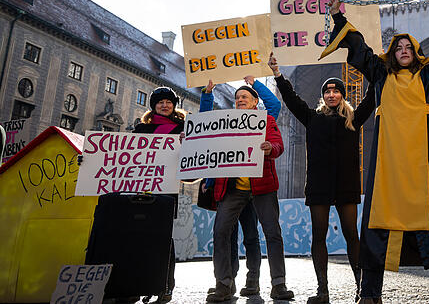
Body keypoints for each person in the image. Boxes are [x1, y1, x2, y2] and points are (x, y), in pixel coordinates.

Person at [319, 0, 429, 304]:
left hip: (426, 168)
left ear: (416, 52)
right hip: (389, 169)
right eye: (399, 48)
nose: (404, 50)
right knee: (377, 225)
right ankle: (369, 294)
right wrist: (338, 15)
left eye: (409, 47)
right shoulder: (381, 76)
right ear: (393, 54)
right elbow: (360, 48)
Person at [269, 53, 376, 303]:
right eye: (327, 92)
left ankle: (363, 289)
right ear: (323, 96)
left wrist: (375, 74)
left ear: (342, 95)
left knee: (352, 234)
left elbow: (371, 99)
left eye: (336, 91)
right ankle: (322, 291)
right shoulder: (312, 119)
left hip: (346, 185)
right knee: (319, 234)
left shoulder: (353, 120)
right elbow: (292, 99)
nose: (331, 95)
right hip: (318, 186)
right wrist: (277, 74)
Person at [201, 76, 294, 302]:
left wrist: (270, 148)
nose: (240, 100)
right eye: (237, 98)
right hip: (231, 188)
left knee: (272, 234)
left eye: (245, 97)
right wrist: (206, 96)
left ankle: (278, 284)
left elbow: (278, 145)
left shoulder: (266, 121)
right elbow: (204, 128)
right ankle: (223, 284)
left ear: (255, 102)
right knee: (221, 232)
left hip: (262, 186)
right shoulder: (226, 122)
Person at [130, 87, 187, 303]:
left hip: (167, 191)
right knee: (140, 239)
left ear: (174, 105)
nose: (164, 105)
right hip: (142, 190)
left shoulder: (182, 129)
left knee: (164, 241)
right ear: (153, 105)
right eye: (160, 102)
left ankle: (165, 286)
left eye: (168, 102)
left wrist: (186, 143)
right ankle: (141, 284)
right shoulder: (141, 129)